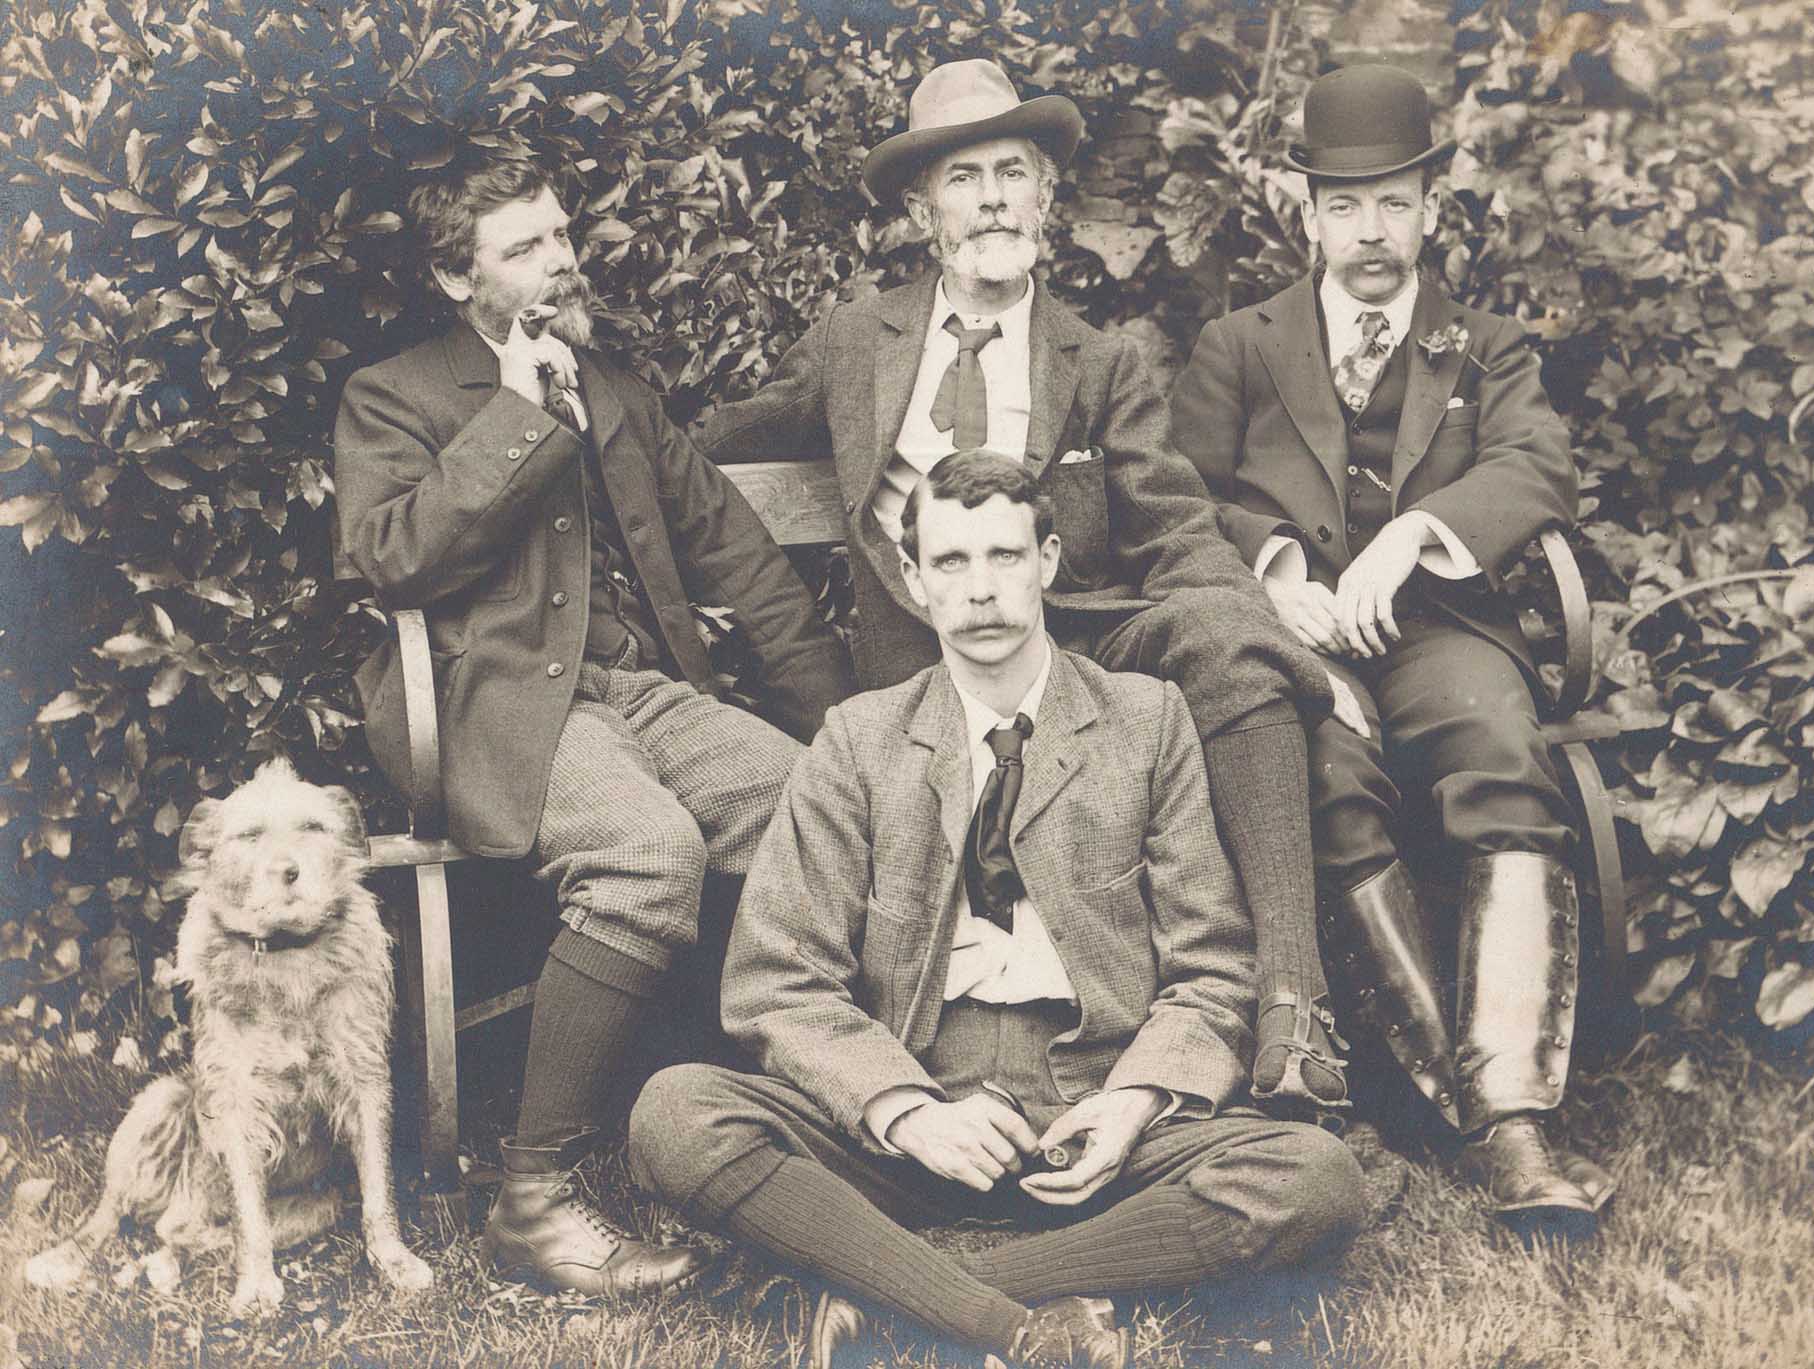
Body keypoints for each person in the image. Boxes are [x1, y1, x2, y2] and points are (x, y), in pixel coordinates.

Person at [698, 56, 1365, 1119]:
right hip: (926, 669)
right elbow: (710, 451)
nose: (994, 199)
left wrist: (1278, 648)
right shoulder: (854, 344)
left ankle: (1292, 1008)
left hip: (1079, 652)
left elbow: (1178, 531)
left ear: (1046, 198)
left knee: (1224, 639)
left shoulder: (1099, 361)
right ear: (923, 212)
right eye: (964, 179)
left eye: (1014, 173)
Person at [629, 452, 1366, 1369]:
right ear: (913, 579)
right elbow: (777, 978)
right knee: (676, 1111)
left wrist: (1133, 1102)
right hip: (911, 1116)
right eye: (951, 561)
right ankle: (1014, 1322)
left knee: (1315, 1177)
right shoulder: (859, 740)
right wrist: (906, 1109)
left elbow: (1212, 963)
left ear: (1047, 561)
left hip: (1091, 1111)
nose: (981, 589)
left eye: (1005, 556)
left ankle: (902, 1290)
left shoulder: (1146, 721)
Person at [334, 148, 853, 1292]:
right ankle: (532, 1196)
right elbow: (390, 556)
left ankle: (792, 1123)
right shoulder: (394, 395)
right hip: (500, 706)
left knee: (822, 811)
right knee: (645, 852)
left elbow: (740, 560)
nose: (559, 261)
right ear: (455, 278)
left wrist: (855, 737)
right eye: (523, 248)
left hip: (642, 692)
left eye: (561, 235)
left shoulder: (613, 388)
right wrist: (517, 415)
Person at [1170, 64, 1614, 1228]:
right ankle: (1465, 1103)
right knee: (1321, 774)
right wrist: (1277, 578)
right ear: (1308, 214)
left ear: (1429, 207)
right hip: (1292, 641)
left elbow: (1536, 467)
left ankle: (1509, 1112)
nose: (1370, 231)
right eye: (1345, 206)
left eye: (1393, 203)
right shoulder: (1237, 347)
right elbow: (1176, 499)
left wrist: (1414, 534)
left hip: (1437, 628)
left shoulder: (1485, 346)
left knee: (1496, 741)